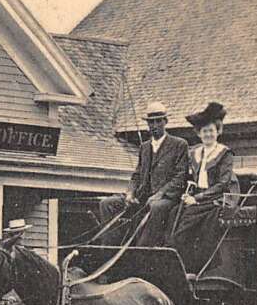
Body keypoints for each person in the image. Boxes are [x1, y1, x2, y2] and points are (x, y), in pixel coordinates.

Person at [98, 101, 189, 247]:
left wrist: (160, 194)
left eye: (158, 121)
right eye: (151, 122)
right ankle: (110, 248)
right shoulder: (144, 147)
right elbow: (137, 175)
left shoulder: (179, 145)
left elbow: (180, 177)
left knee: (155, 207)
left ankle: (142, 248)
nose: (154, 126)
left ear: (165, 122)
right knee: (106, 204)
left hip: (167, 199)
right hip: (142, 197)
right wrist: (130, 193)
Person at [170, 102, 238, 273]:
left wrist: (197, 199)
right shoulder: (195, 153)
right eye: (204, 131)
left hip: (215, 198)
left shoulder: (225, 153)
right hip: (196, 197)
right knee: (171, 215)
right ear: (199, 134)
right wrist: (186, 195)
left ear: (218, 132)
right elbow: (188, 177)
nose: (208, 134)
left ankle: (189, 268)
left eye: (211, 131)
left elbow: (223, 184)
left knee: (183, 229)